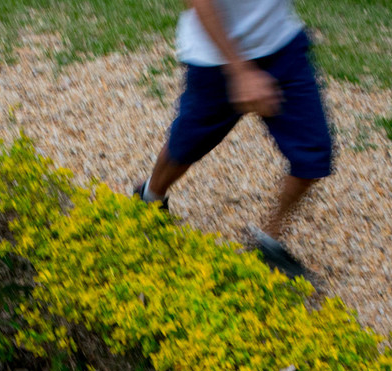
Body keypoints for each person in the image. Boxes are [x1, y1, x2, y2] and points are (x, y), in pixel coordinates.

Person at [136, 0, 336, 279]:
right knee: (185, 145)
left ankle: (269, 243)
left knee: (313, 153)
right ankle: (149, 197)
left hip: (281, 44)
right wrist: (240, 71)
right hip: (214, 54)